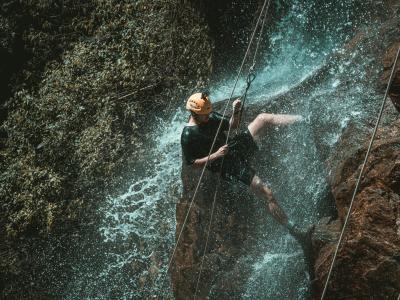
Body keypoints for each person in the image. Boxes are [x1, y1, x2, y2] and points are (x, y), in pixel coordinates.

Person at [180, 92, 308, 240]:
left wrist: (236, 111)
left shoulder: (209, 117)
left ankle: (305, 119)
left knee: (263, 119)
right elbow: (192, 164)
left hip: (232, 148)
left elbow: (233, 125)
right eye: (205, 114)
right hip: (226, 165)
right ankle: (295, 230)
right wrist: (216, 155)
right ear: (195, 113)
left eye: (209, 112)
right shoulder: (188, 136)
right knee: (267, 193)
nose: (208, 116)